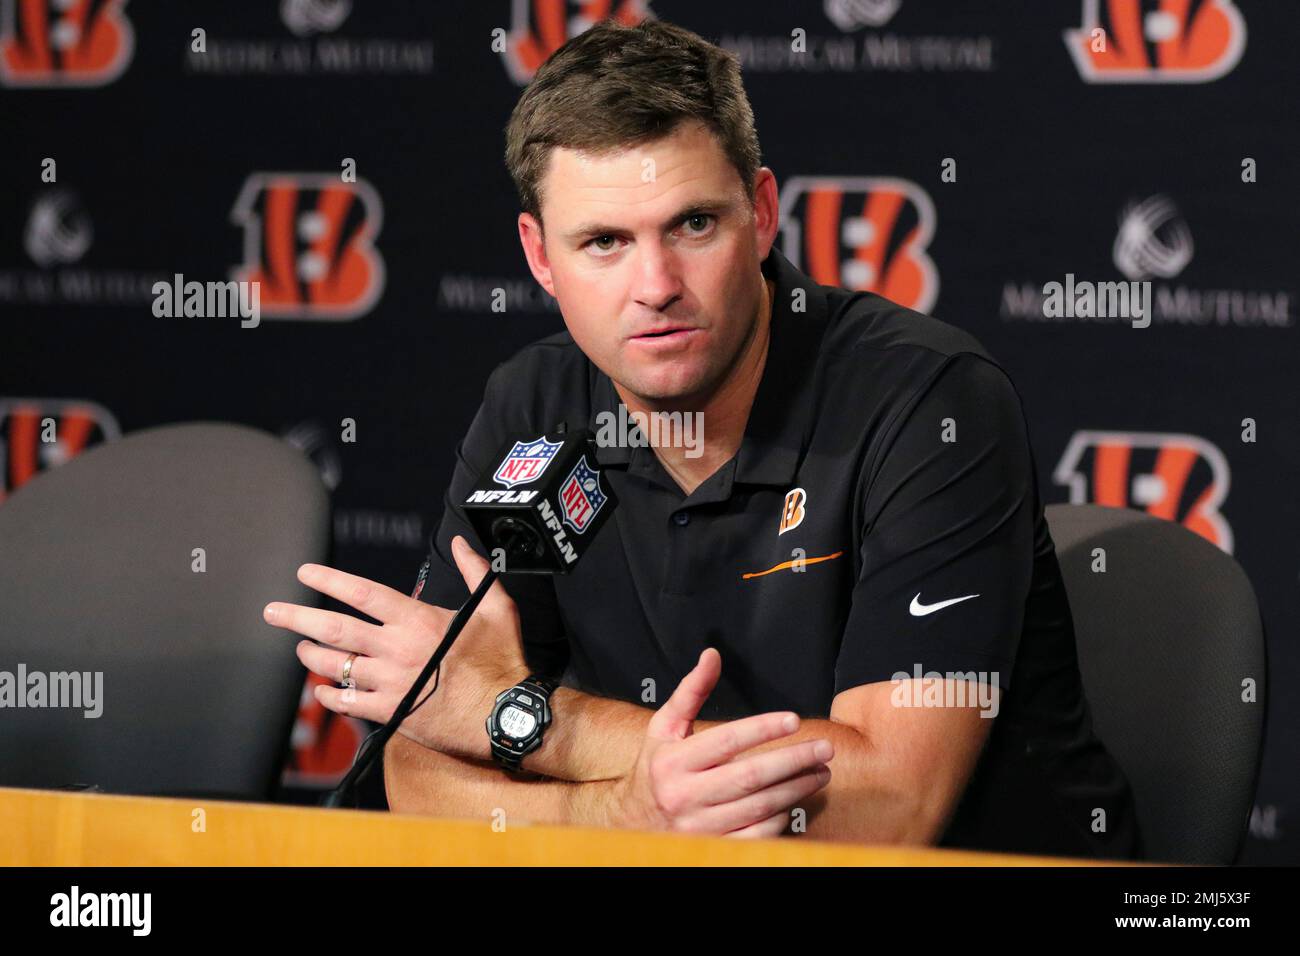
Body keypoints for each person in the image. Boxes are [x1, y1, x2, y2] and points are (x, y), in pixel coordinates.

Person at [264, 18, 1141, 858]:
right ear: (539, 258)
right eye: (603, 242)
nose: (656, 285)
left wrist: (517, 717)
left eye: (693, 225)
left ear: (761, 214)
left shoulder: (932, 404)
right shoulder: (531, 404)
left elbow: (883, 809)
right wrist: (618, 811)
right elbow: (419, 773)